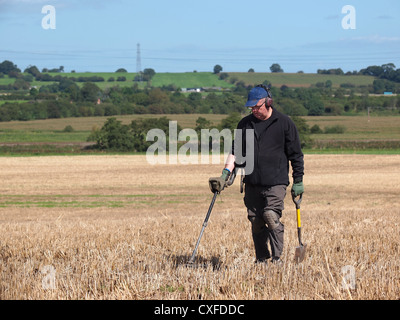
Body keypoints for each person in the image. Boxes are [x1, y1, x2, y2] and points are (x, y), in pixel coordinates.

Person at [209, 84, 304, 264]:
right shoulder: (245, 124)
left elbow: (296, 154)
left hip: (275, 181)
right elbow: (236, 151)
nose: (254, 110)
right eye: (251, 107)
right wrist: (224, 175)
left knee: (270, 215)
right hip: (252, 181)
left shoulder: (284, 123)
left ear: (268, 103)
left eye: (257, 107)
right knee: (255, 220)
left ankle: (277, 259)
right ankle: (261, 259)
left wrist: (298, 180)